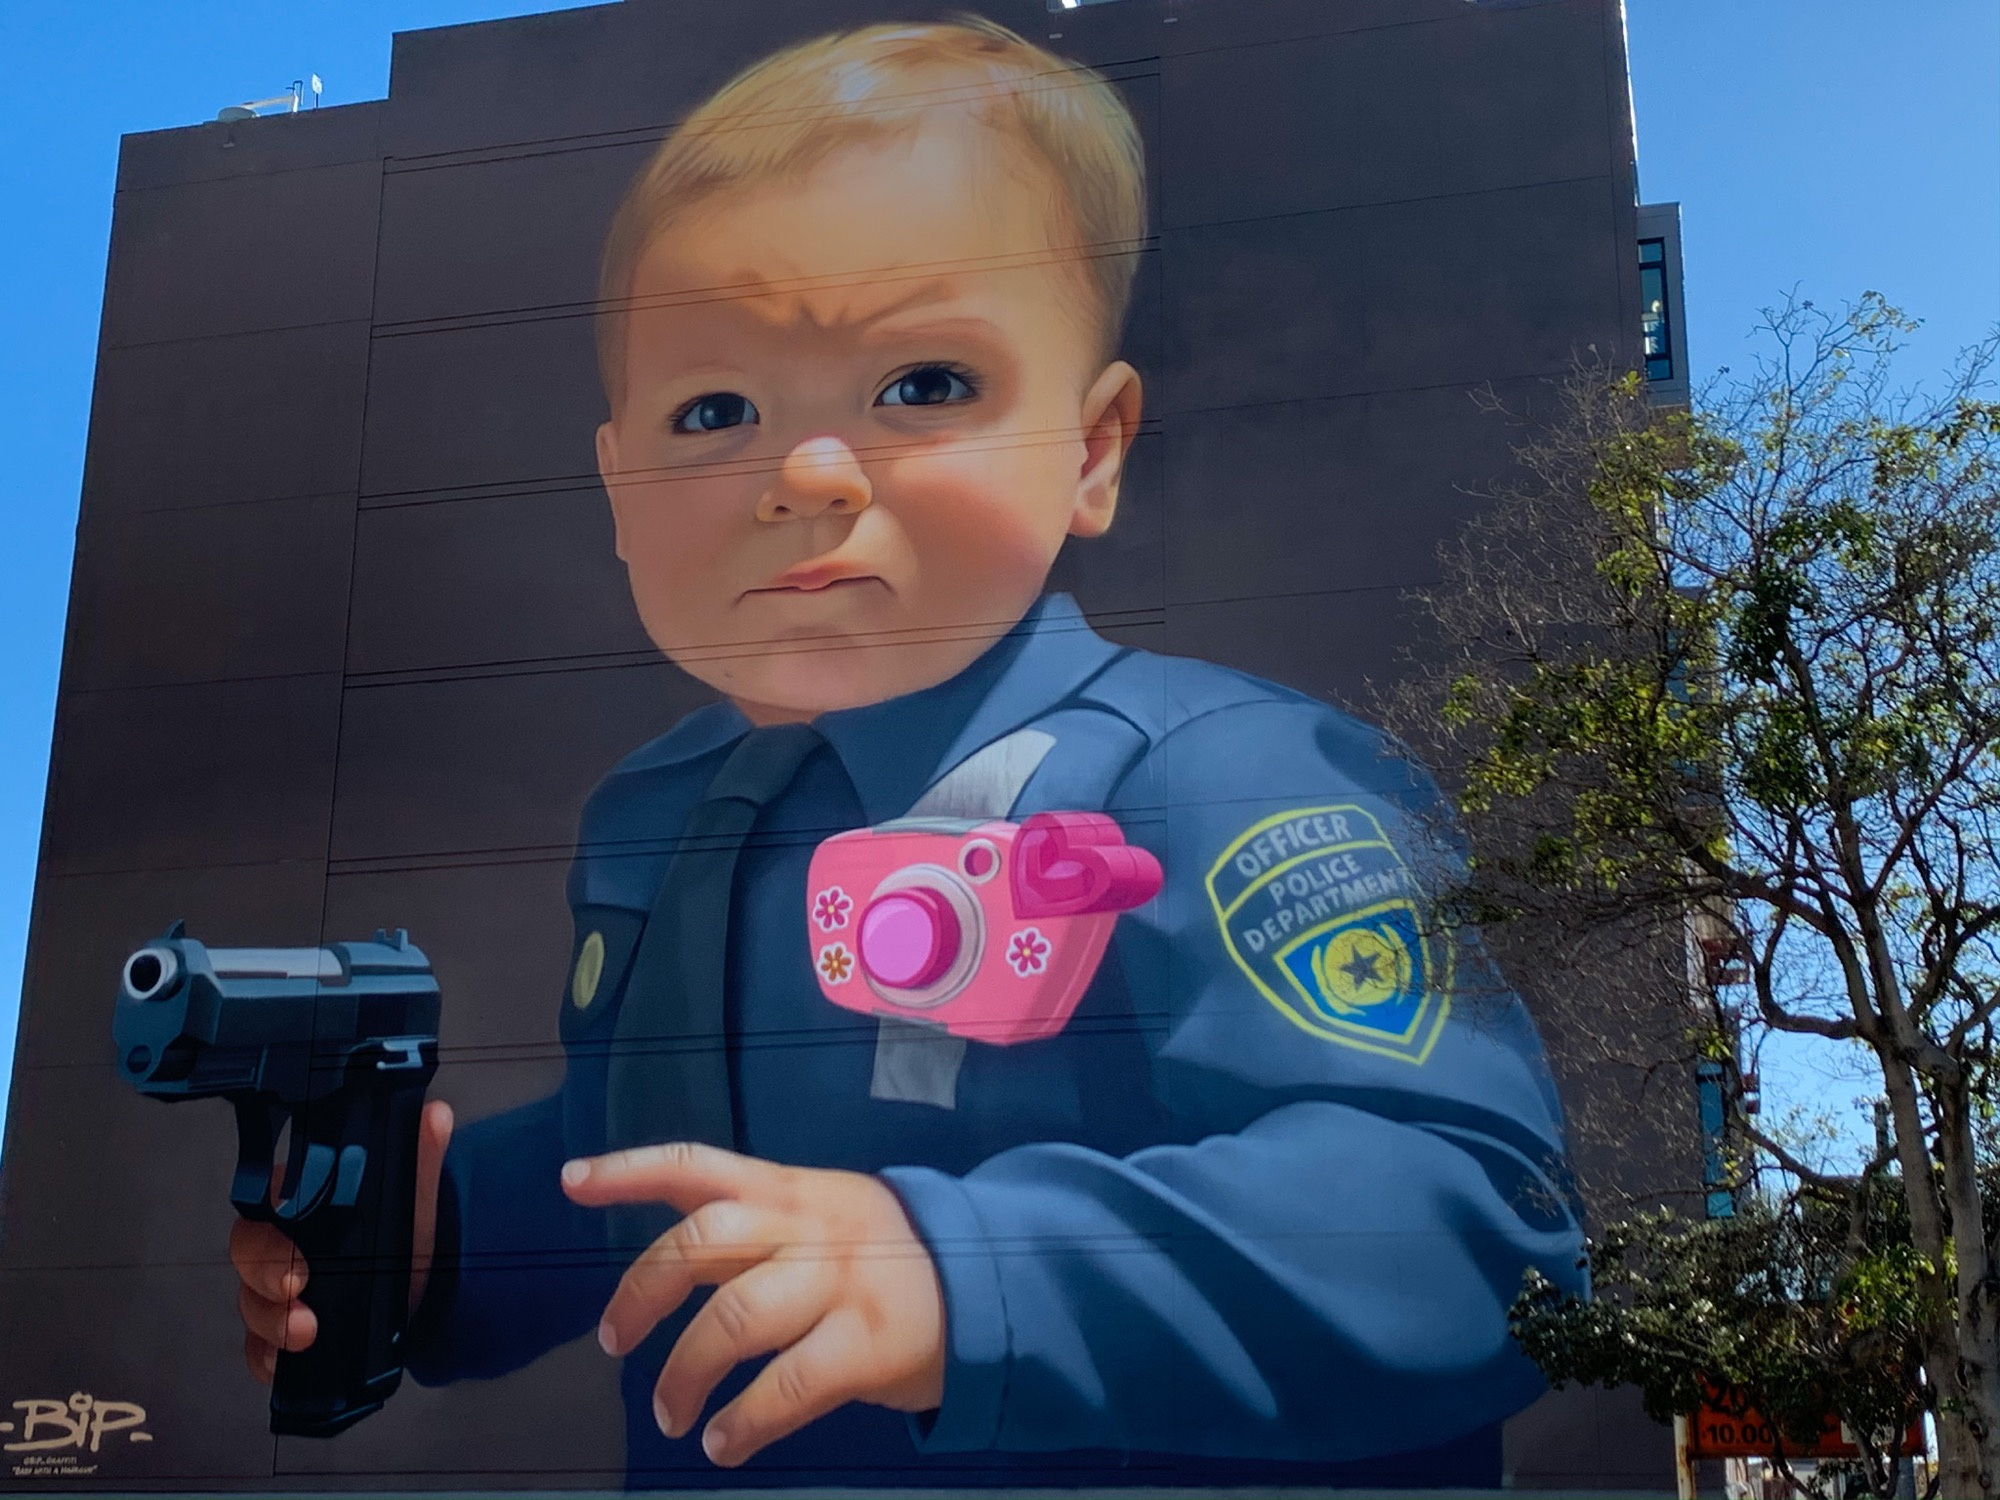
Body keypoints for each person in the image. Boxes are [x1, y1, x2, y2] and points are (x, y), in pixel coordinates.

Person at [231, 17, 1585, 1485]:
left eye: (925, 383)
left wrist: (964, 1273)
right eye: (716, 410)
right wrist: (433, 1257)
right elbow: (663, 1179)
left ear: (1094, 449)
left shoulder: (1213, 771)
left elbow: (1471, 1224)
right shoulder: (658, 815)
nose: (807, 473)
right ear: (619, 488)